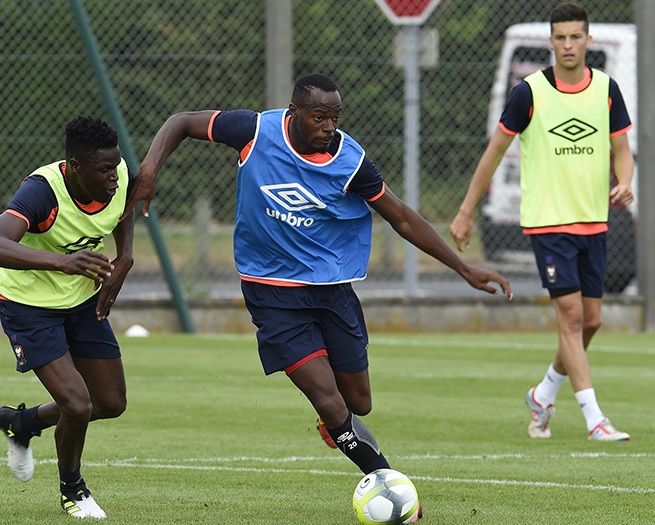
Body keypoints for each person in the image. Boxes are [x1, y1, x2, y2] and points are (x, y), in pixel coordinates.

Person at [125, 73, 512, 487]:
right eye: (319, 117)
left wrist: (463, 267)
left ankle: (337, 422)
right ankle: (388, 484)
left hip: (331, 291)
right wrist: (149, 169)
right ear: (294, 114)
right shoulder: (254, 130)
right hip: (271, 292)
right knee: (329, 401)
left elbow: (400, 216)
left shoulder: (350, 161)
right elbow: (181, 121)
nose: (329, 127)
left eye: (335, 117)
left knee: (357, 402)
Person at [450, 3, 635, 442]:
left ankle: (544, 393)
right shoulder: (528, 93)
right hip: (547, 222)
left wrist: (625, 181)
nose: (568, 45)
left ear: (588, 41)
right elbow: (494, 152)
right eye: (560, 37)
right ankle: (595, 419)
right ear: (550, 42)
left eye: (576, 37)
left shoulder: (607, 89)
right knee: (570, 317)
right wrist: (465, 209)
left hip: (593, 220)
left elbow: (622, 149)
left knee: (591, 322)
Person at [0, 115, 135, 518]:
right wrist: (61, 262)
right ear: (75, 167)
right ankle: (74, 491)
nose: (114, 176)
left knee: (111, 402)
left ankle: (25, 423)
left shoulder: (116, 176)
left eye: (116, 165)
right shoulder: (42, 191)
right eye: (104, 170)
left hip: (82, 302)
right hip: (28, 306)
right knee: (77, 405)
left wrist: (126, 254)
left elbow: (124, 208)